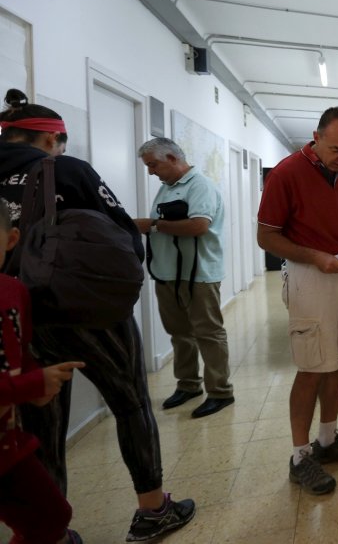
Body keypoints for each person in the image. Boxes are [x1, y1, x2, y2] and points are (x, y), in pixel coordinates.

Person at [0, 89, 195, 542]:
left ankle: (49, 531)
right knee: (130, 403)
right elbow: (123, 230)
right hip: (88, 311)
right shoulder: (65, 170)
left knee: (41, 422)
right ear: (51, 141)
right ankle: (152, 510)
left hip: (17, 318)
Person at [257, 106, 338, 495]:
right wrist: (314, 256)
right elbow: (267, 237)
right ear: (316, 136)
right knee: (312, 366)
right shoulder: (286, 173)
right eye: (336, 149)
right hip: (309, 274)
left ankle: (327, 440)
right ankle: (300, 456)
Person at [0, 201, 85, 544]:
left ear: (11, 239)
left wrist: (36, 385)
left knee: (49, 516)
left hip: (9, 438)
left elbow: (22, 349)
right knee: (49, 517)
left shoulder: (14, 291)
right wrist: (34, 383)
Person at [133, 137, 234, 419]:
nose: (151, 172)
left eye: (154, 165)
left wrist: (151, 224)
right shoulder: (167, 188)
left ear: (173, 158)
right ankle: (188, 385)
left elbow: (199, 226)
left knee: (208, 334)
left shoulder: (199, 186)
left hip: (198, 275)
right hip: (167, 274)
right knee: (180, 334)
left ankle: (220, 391)